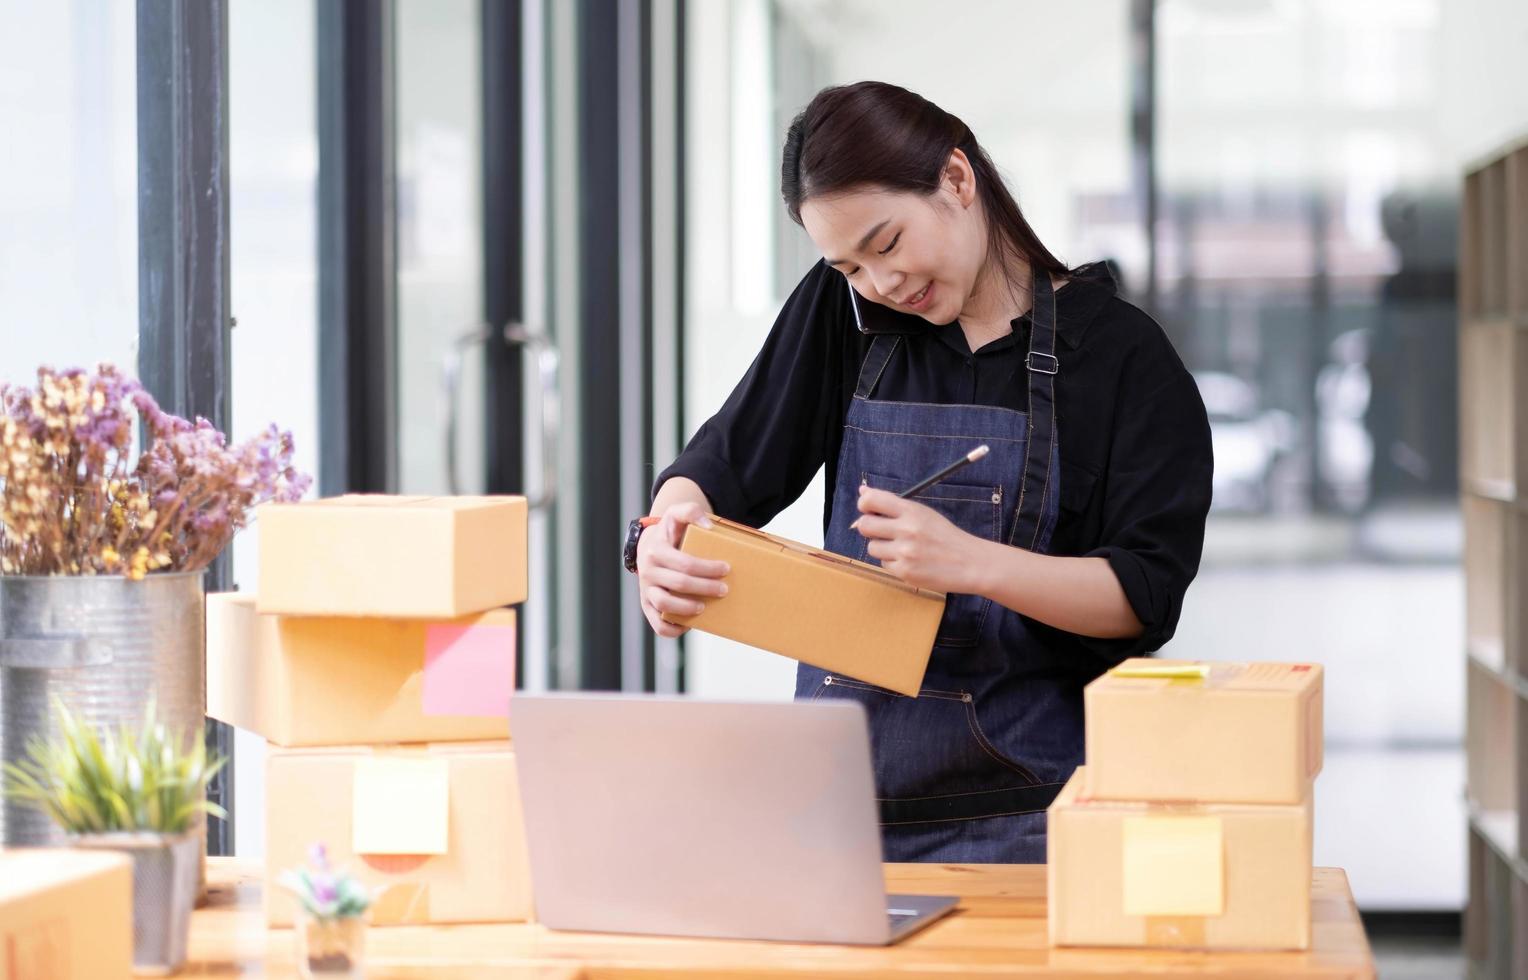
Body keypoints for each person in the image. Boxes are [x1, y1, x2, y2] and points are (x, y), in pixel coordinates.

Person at [626, 81, 1213, 863]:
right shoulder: (847, 317)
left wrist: (973, 564)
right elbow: (724, 466)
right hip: (838, 812)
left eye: (887, 244)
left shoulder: (1120, 358)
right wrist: (666, 536)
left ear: (957, 181)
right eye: (848, 266)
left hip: (1035, 822)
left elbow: (1142, 596)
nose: (880, 284)